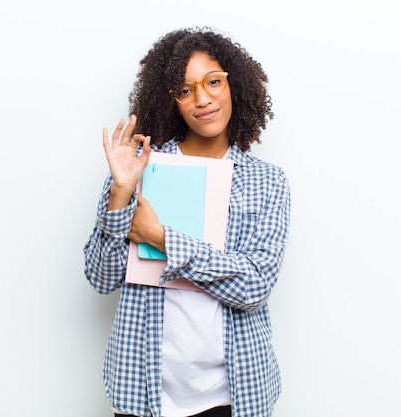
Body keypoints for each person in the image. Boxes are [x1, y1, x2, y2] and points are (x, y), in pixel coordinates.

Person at [83, 27, 291, 417]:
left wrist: (161, 238)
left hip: (234, 393)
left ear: (235, 84)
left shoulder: (267, 181)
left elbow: (254, 285)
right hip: (141, 389)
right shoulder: (139, 166)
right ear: (172, 101)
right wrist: (120, 193)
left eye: (213, 81)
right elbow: (100, 277)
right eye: (185, 89)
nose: (203, 99)